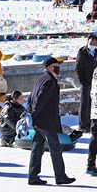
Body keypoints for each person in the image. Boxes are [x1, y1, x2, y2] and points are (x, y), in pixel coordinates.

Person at [28, 57, 75, 185]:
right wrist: (34, 115)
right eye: (56, 65)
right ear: (50, 67)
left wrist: (31, 115)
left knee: (37, 149)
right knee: (55, 148)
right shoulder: (49, 81)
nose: (58, 67)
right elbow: (40, 101)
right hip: (47, 121)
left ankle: (33, 175)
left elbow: (31, 99)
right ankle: (60, 176)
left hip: (39, 121)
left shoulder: (40, 80)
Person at [74, 34, 97, 133]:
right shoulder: (82, 53)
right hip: (86, 82)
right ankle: (83, 125)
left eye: (94, 43)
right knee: (85, 104)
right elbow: (78, 68)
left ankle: (92, 123)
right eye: (90, 43)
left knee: (93, 104)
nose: (92, 45)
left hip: (95, 82)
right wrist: (82, 81)